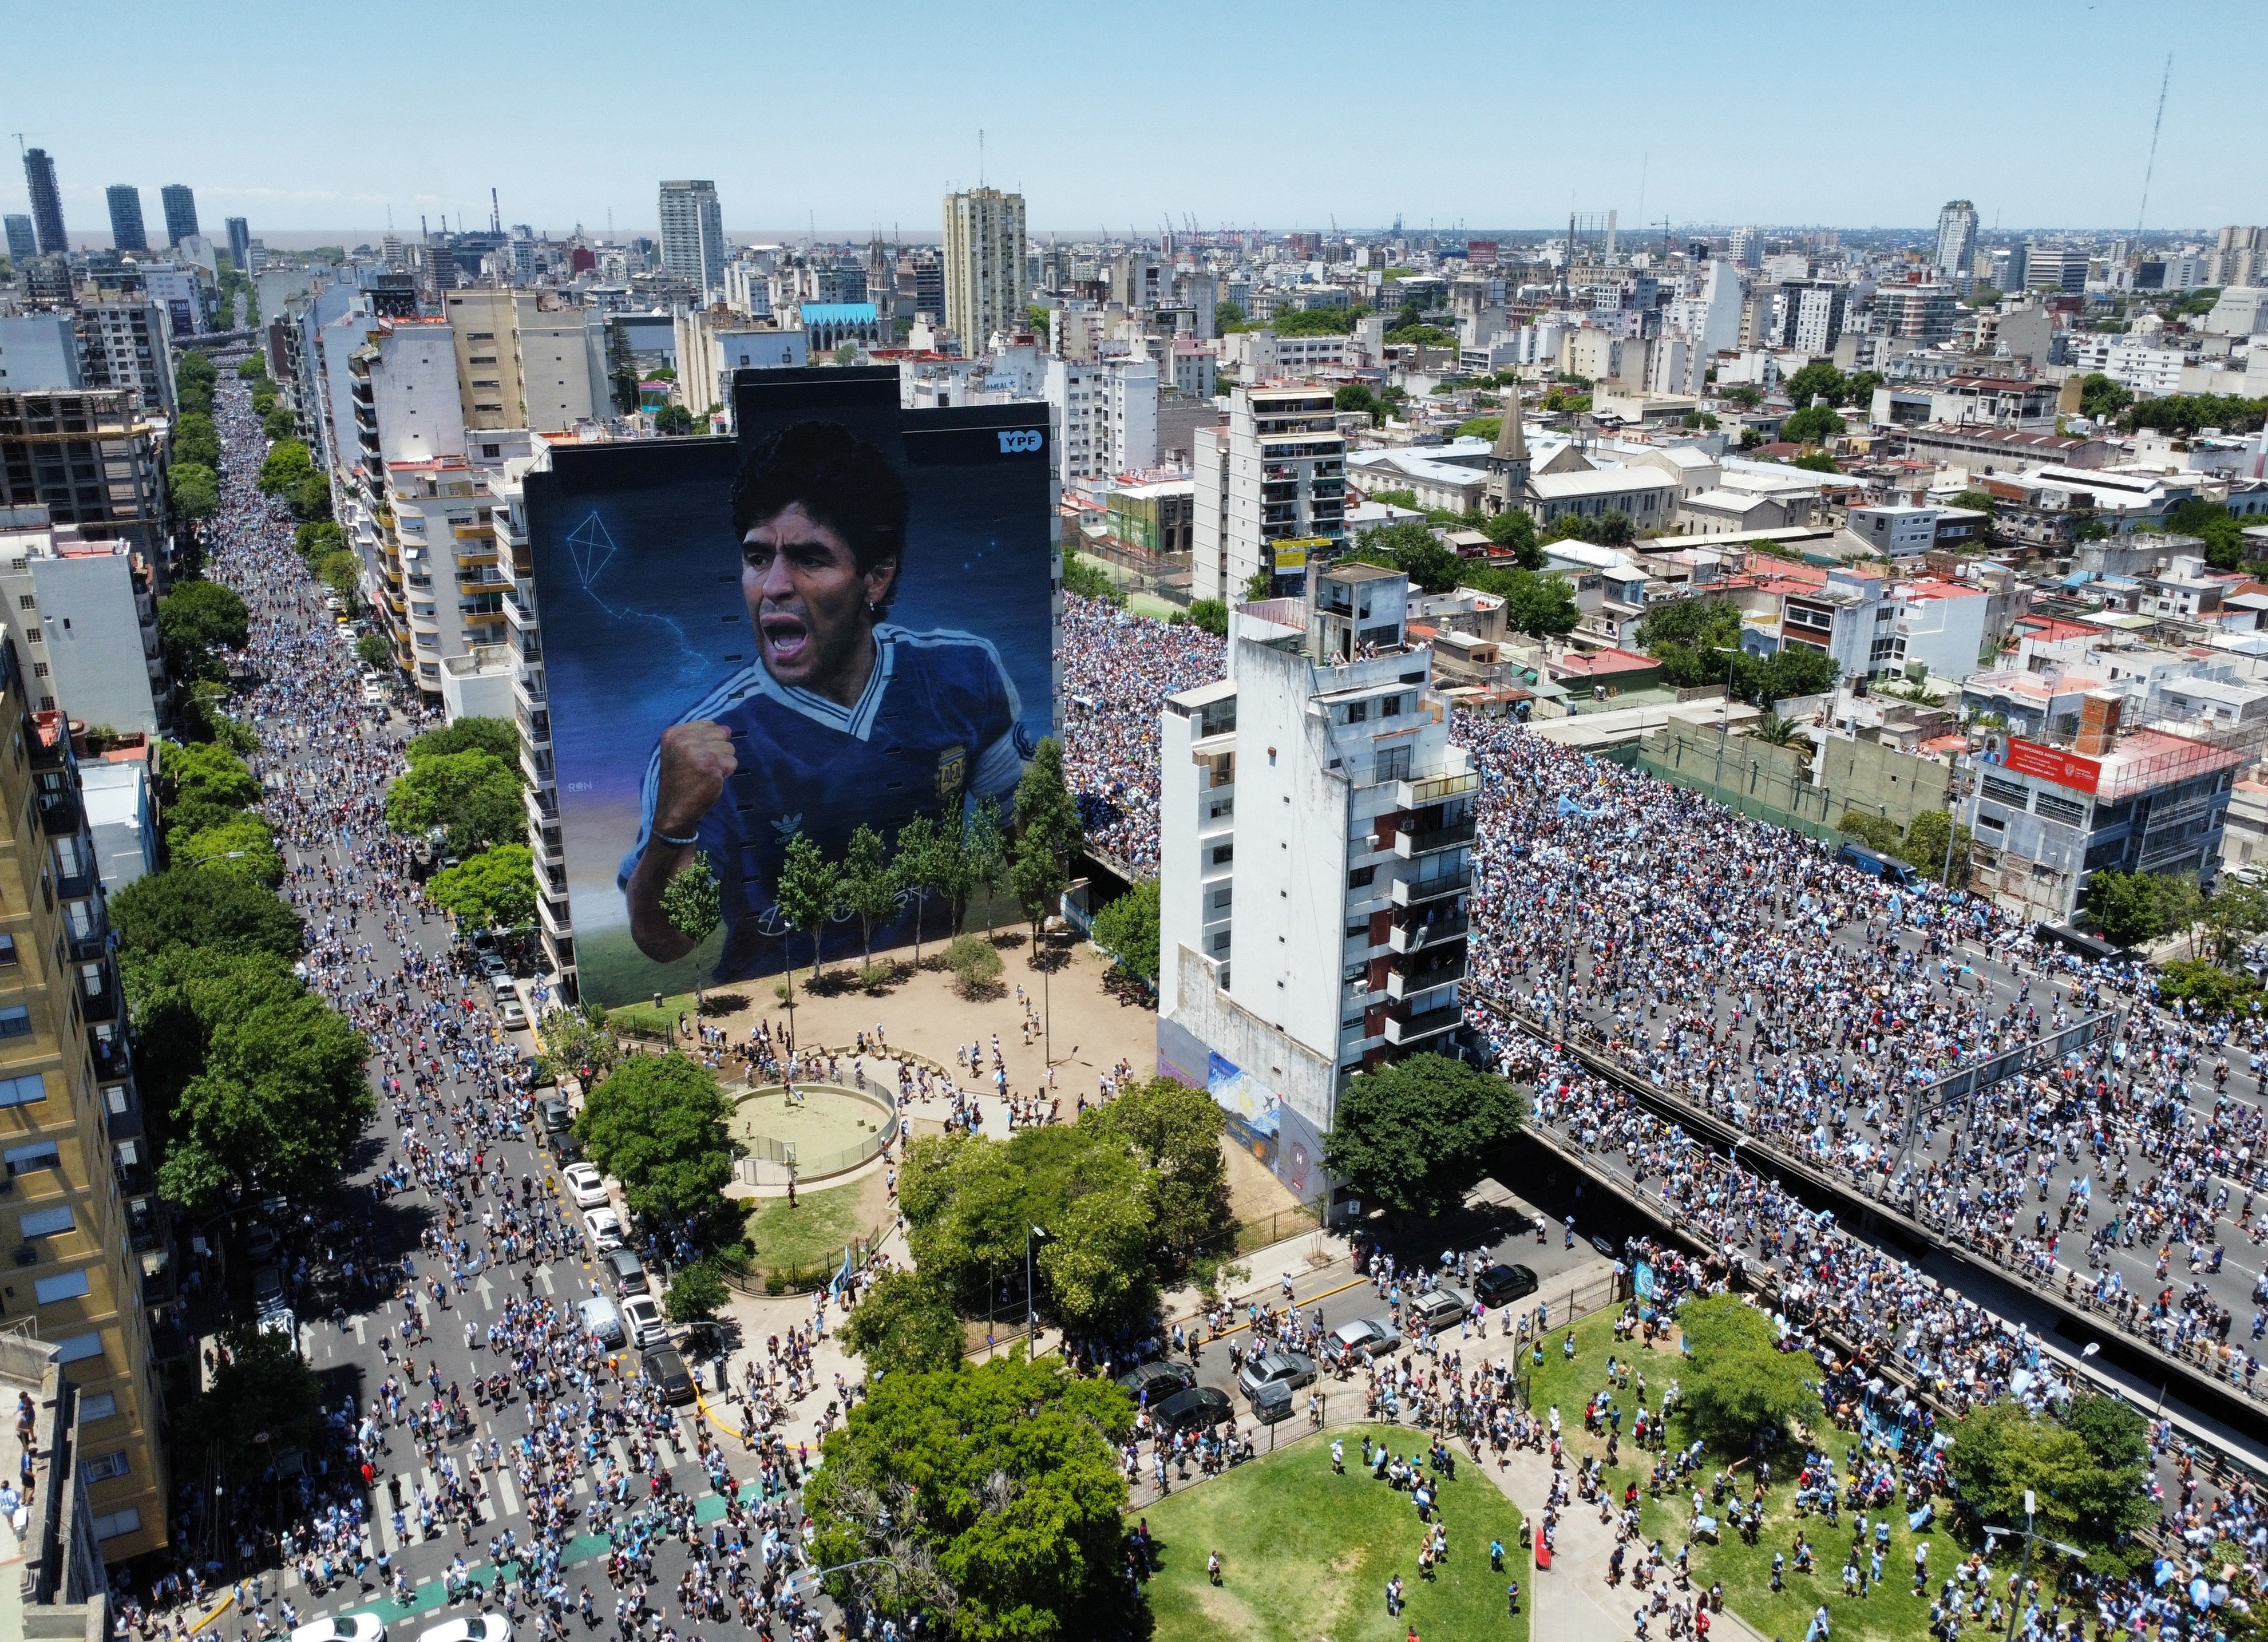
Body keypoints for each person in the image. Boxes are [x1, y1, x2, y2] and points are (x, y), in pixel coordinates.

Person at [622, 419, 1033, 980]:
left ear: (876, 577)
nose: (774, 587)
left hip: (932, 991)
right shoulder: (701, 746)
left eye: (811, 558)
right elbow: (667, 940)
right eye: (758, 557)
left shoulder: (964, 674)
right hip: (791, 1023)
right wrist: (673, 826)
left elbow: (1030, 849)